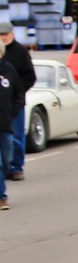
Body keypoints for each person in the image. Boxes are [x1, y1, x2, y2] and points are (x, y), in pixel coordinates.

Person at [0, 22, 34, 182]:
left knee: (17, 136)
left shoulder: (20, 52)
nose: (3, 38)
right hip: (2, 104)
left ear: (12, 34)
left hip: (16, 102)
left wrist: (18, 93)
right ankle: (4, 168)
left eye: (5, 35)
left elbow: (30, 76)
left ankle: (17, 167)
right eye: (0, 35)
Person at [0, 40, 23, 210]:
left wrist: (13, 111)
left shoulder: (9, 70)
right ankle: (2, 197)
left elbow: (18, 93)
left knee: (7, 160)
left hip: (6, 125)